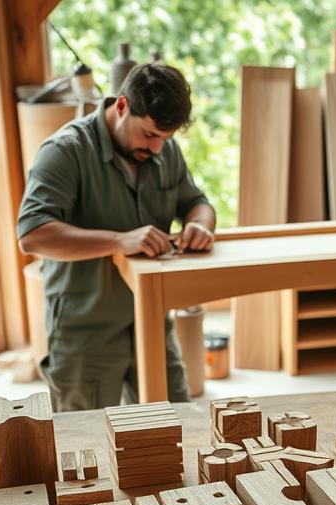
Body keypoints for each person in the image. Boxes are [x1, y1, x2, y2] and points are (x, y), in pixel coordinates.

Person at [17, 63, 215, 411]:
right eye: (149, 135)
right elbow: (32, 234)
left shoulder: (164, 149)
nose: (157, 149)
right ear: (122, 105)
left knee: (177, 423)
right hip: (84, 332)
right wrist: (119, 241)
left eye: (166, 138)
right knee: (86, 437)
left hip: (150, 320)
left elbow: (197, 203)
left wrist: (200, 224)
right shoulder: (65, 151)